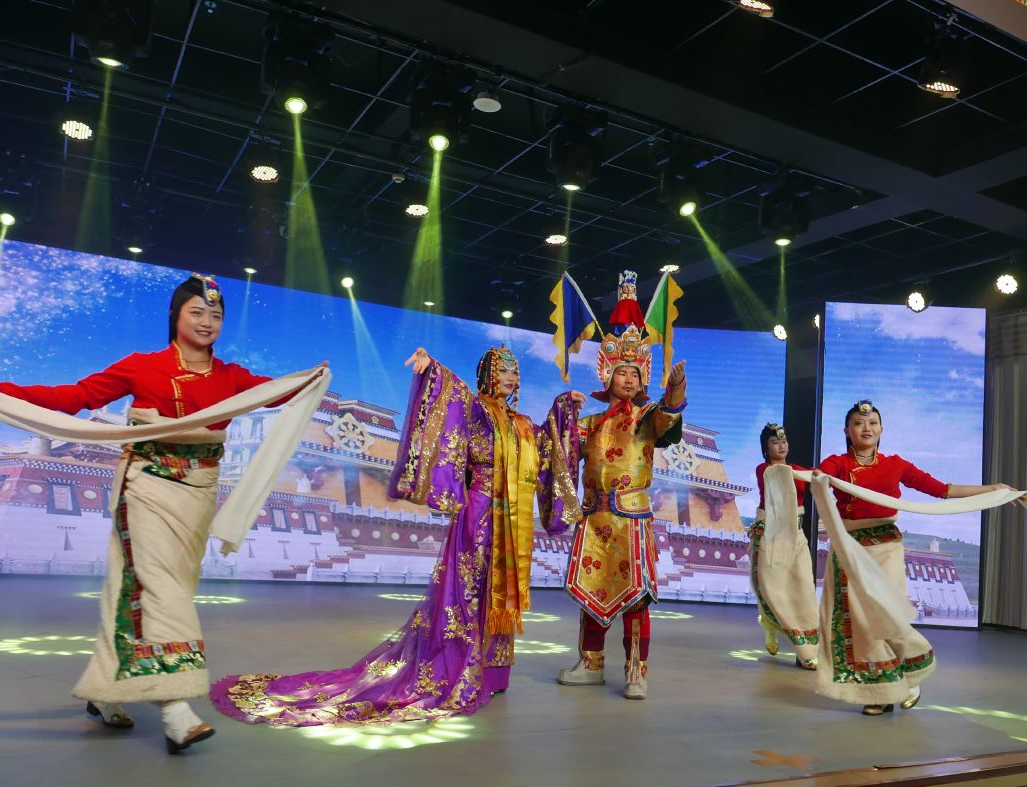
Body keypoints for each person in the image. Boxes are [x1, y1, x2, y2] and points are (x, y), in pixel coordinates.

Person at [0, 274, 309, 753]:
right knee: (162, 588)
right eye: (197, 313)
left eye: (216, 315)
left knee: (144, 591)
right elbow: (74, 397)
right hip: (147, 486)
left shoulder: (232, 377)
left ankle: (106, 692)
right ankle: (176, 709)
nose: (207, 322)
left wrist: (315, 377)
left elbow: (286, 392)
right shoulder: (143, 366)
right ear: (175, 316)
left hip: (199, 493)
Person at [210, 345, 584, 727]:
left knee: (499, 592)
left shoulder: (521, 424)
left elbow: (546, 449)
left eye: (515, 371)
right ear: (488, 374)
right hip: (479, 512)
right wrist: (432, 370)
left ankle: (494, 671)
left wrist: (563, 409)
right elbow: (450, 402)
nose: (511, 377)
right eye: (503, 370)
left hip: (513, 518)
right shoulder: (477, 411)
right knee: (469, 590)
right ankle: (458, 665)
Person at [815, 399, 1010, 715]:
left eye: (873, 423)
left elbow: (943, 490)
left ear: (882, 429)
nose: (866, 428)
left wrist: (993, 490)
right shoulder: (838, 463)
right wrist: (809, 477)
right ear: (847, 431)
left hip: (885, 546)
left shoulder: (896, 465)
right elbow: (821, 476)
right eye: (859, 424)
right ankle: (880, 690)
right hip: (849, 548)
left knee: (885, 614)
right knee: (860, 622)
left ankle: (910, 672)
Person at [555, 272, 687, 700]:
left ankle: (636, 670)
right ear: (606, 375)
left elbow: (669, 418)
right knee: (591, 592)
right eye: (621, 372)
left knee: (636, 598)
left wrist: (675, 390)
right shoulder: (590, 423)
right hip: (595, 519)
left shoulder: (647, 418)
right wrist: (563, 412)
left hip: (631, 520)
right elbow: (558, 451)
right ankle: (591, 663)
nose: (628, 379)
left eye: (634, 373)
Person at [748, 423, 818, 669]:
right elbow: (780, 476)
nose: (781, 446)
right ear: (766, 449)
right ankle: (792, 641)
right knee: (773, 589)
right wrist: (809, 475)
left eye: (784, 441)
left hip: (795, 534)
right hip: (771, 533)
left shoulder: (796, 470)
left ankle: (808, 646)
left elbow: (814, 476)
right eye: (775, 442)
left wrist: (821, 476)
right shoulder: (765, 470)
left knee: (804, 588)